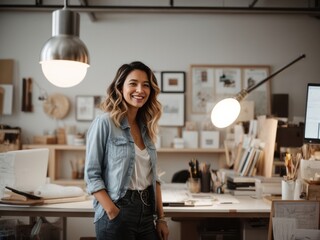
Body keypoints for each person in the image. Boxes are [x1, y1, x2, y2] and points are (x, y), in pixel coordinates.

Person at [85, 61, 169, 240]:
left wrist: (161, 218)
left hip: (147, 215)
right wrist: (112, 211)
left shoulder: (146, 128)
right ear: (120, 87)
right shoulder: (105, 123)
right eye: (133, 83)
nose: (140, 90)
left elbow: (154, 178)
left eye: (145, 85)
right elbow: (92, 175)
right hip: (117, 212)